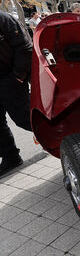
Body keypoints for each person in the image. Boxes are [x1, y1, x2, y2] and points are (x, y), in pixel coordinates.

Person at [0, 11, 32, 176]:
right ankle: (10, 156)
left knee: (24, 118)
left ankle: (66, 138)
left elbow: (25, 48)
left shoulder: (3, 19)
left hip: (9, 78)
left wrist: (17, 76)